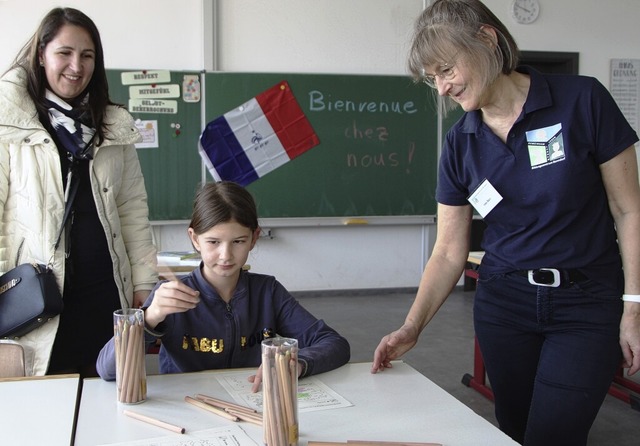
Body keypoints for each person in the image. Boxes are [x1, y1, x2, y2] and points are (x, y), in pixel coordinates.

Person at [371, 1, 640, 445]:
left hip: (586, 303)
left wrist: (634, 306)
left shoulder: (583, 100)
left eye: (446, 70)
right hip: (505, 306)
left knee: (554, 434)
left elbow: (629, 210)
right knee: (514, 429)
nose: (441, 88)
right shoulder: (461, 144)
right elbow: (448, 251)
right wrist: (412, 325)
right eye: (432, 78)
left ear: (486, 39)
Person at [0, 8, 157, 377]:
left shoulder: (114, 127)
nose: (76, 66)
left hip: (105, 293)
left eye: (87, 56)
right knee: (43, 410)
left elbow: (132, 209)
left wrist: (143, 281)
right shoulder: (10, 125)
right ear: (41, 54)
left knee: (105, 398)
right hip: (38, 298)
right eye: (64, 53)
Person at [96, 181, 350, 391]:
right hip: (188, 409)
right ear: (194, 239)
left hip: (251, 402)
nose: (226, 255)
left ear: (254, 238)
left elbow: (335, 344)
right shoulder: (169, 295)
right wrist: (149, 318)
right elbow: (106, 370)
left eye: (238, 241)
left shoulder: (267, 292)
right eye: (213, 242)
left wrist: (300, 363)